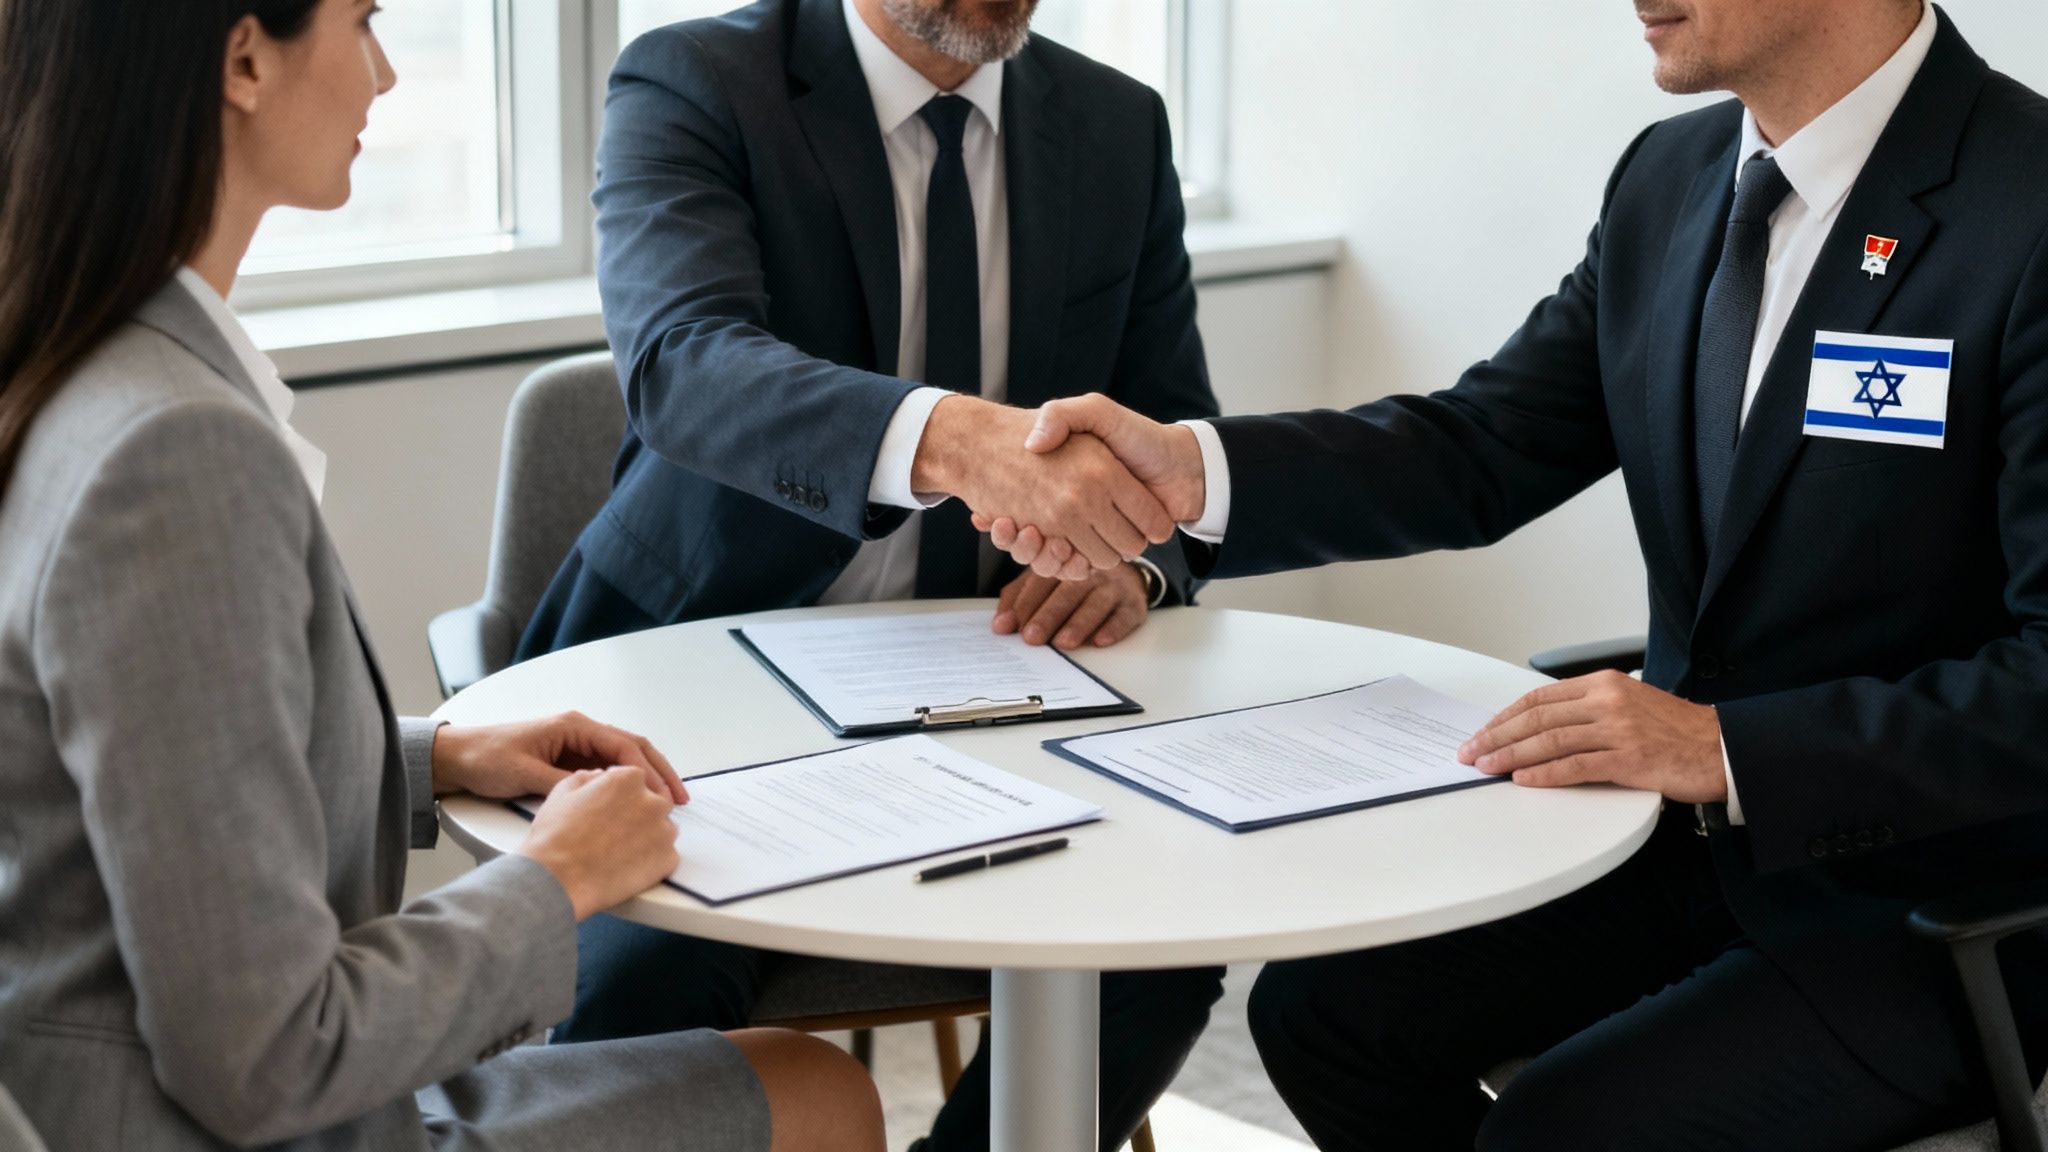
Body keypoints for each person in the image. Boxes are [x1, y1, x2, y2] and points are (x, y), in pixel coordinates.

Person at [975, 0, 2048, 1147]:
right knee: (1322, 1013)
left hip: (1924, 900)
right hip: (1678, 850)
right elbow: (1481, 445)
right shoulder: (1669, 177)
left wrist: (1721, 746)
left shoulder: (2023, 206)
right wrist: (1194, 471)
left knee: (1557, 1128)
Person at [0, 3, 885, 1150]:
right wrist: (555, 880)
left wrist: (428, 760)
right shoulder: (173, 454)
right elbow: (267, 1055)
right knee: (825, 1097)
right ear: (242, 59)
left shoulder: (80, 362)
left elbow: (130, 785)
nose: (383, 74)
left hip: (107, 1082)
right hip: (219, 1124)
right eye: (363, 22)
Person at [523, 1, 1225, 1147]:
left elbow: (1178, 431)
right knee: (638, 985)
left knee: (1162, 946)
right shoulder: (695, 79)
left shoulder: (1114, 123)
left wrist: (1137, 565)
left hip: (1003, 691)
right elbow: (683, 362)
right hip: (711, 690)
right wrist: (951, 436)